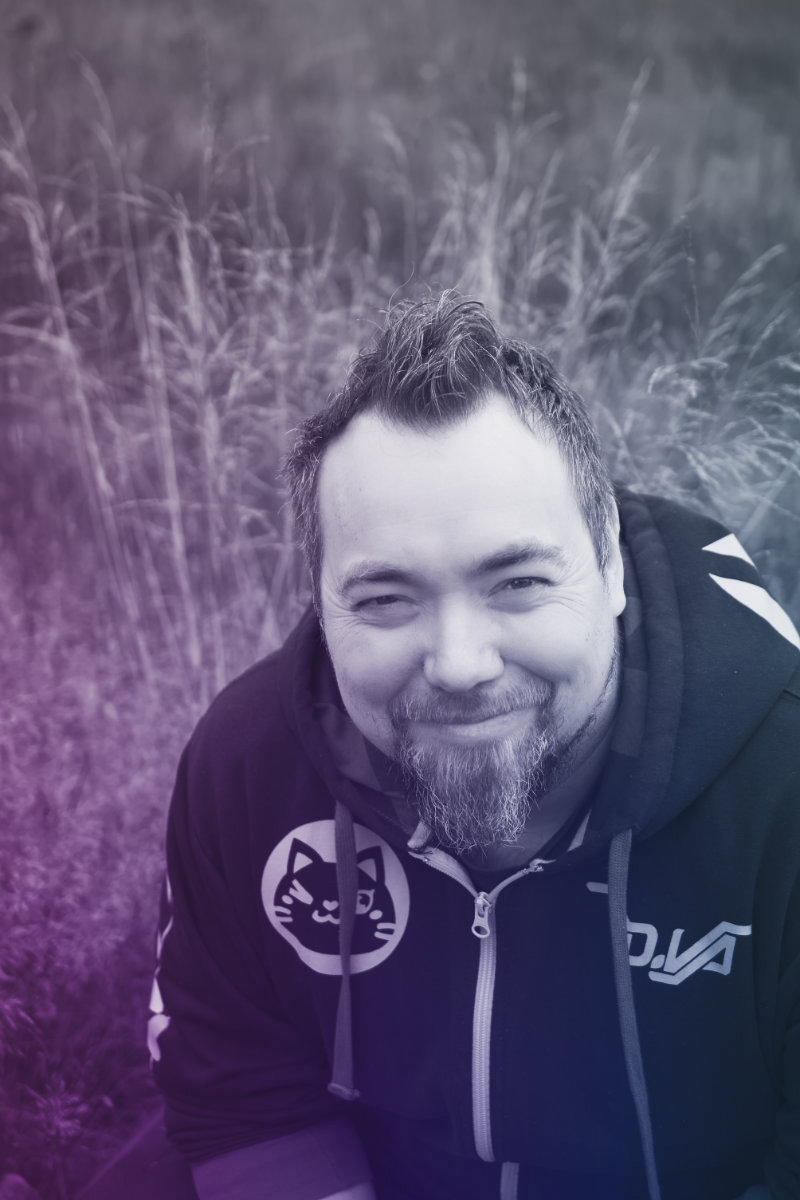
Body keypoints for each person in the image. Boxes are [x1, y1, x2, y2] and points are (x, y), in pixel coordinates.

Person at [146, 293, 800, 1200]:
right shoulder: (247, 769)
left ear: (609, 561)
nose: (459, 664)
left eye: (519, 582)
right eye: (385, 599)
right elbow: (246, 1099)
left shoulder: (781, 783)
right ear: (321, 597)